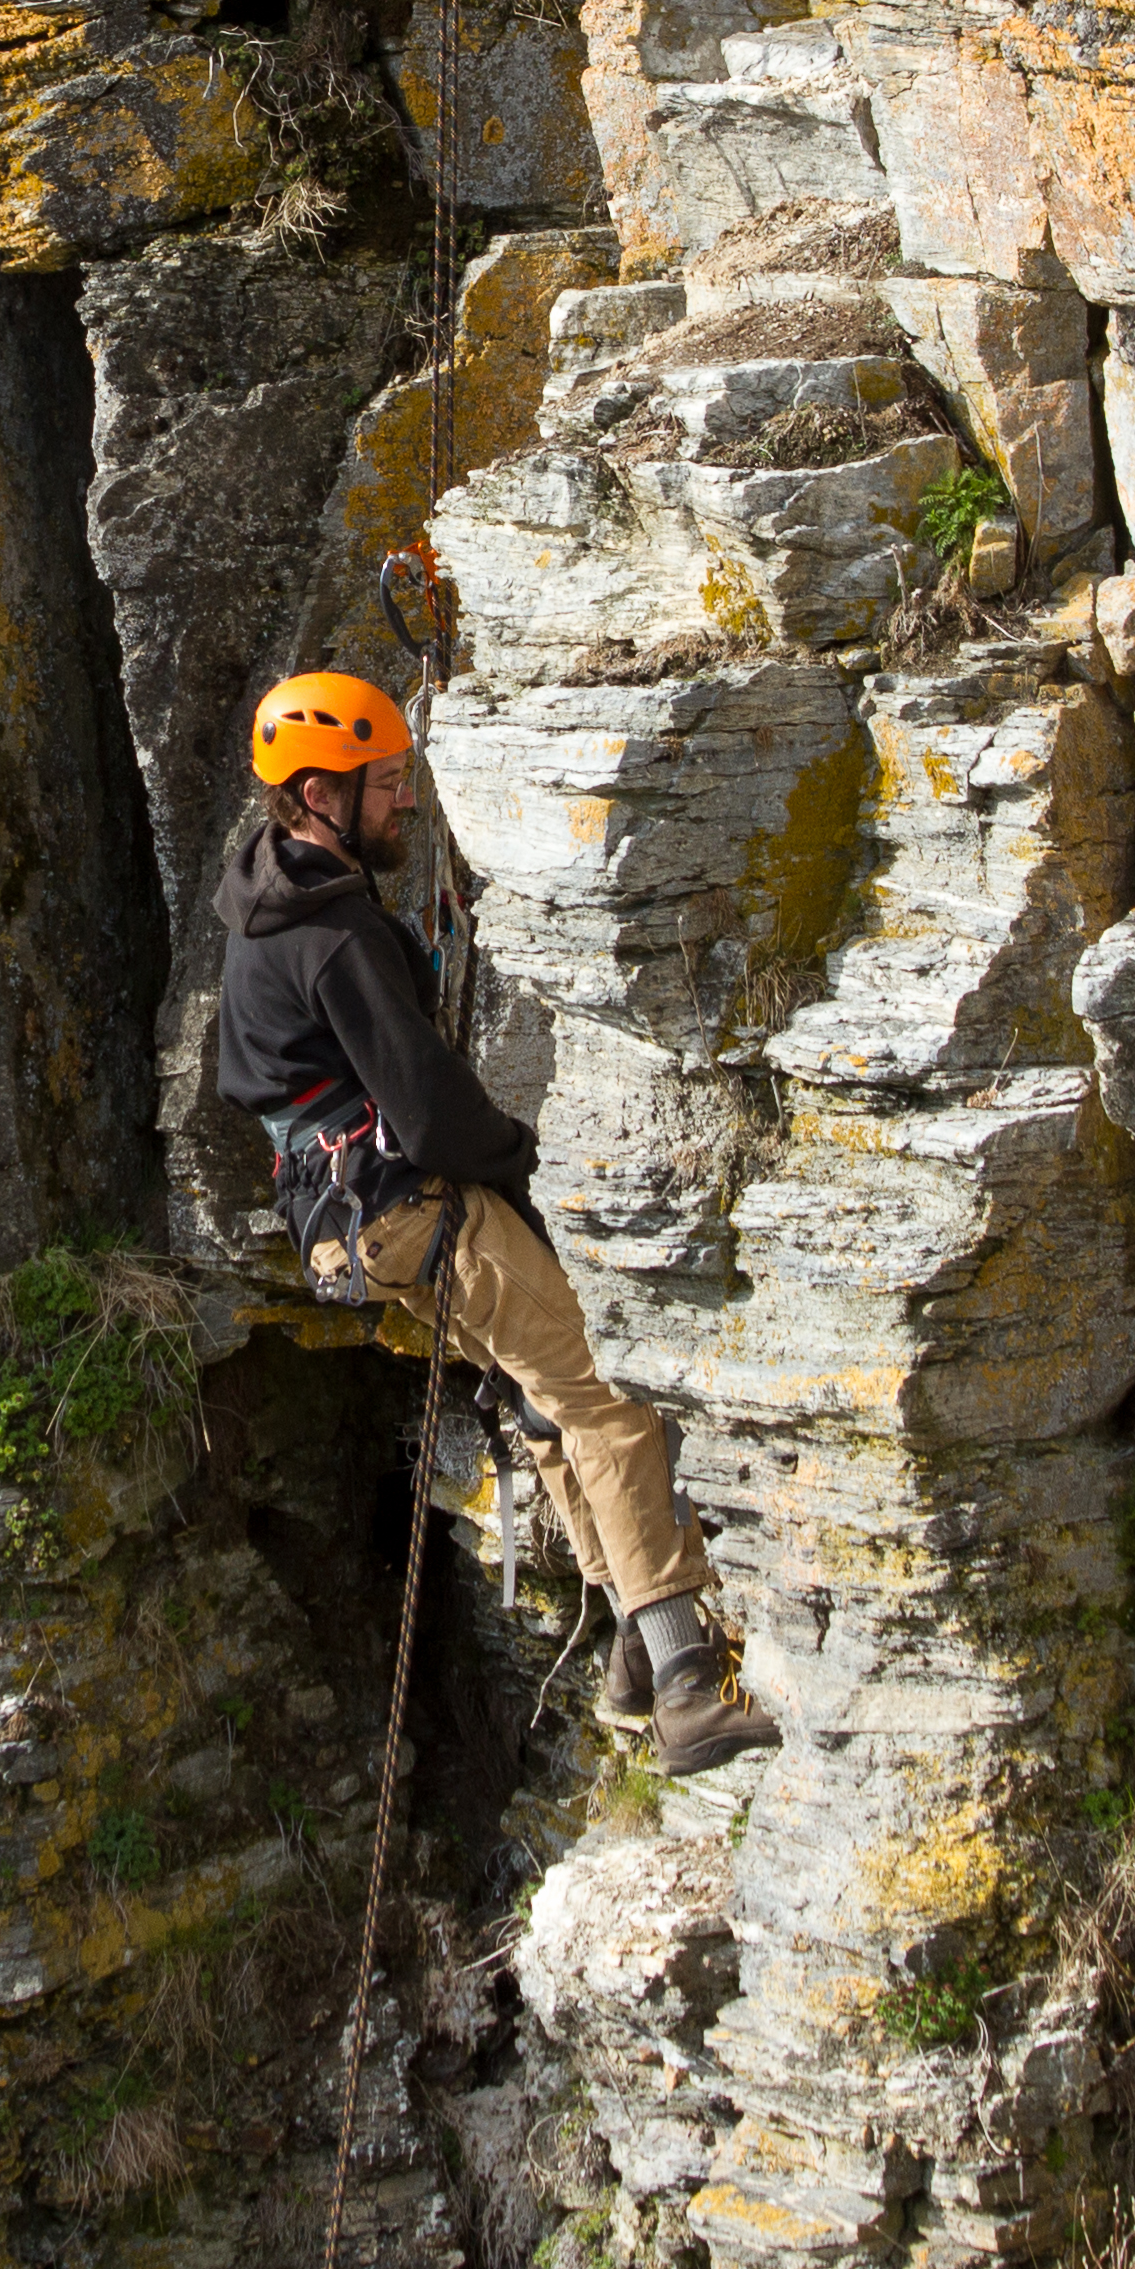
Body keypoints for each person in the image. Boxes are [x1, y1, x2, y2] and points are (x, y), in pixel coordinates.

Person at [212, 671, 783, 1776]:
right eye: (386, 785)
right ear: (320, 790)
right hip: (413, 1207)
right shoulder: (330, 936)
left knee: (540, 1409)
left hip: (349, 1223)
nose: (405, 804)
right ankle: (686, 1682)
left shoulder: (269, 902)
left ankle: (626, 1657)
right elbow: (429, 1114)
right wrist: (534, 1162)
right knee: (599, 1399)